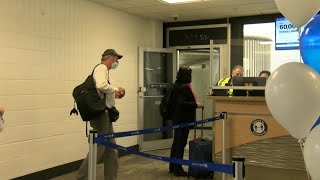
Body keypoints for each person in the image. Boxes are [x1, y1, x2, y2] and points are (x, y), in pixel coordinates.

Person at [77, 49, 125, 180]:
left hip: (105, 114)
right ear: (110, 58)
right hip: (100, 115)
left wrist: (113, 94)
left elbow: (101, 91)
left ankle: (110, 177)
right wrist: (116, 89)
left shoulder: (104, 70)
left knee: (111, 149)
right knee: (99, 147)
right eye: (116, 59)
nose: (116, 62)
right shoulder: (101, 68)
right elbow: (101, 85)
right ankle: (82, 177)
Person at [168, 66, 202, 177]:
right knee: (180, 144)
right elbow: (181, 103)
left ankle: (172, 167)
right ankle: (178, 169)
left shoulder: (176, 85)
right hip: (183, 120)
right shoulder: (184, 88)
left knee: (176, 143)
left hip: (177, 119)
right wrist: (195, 104)